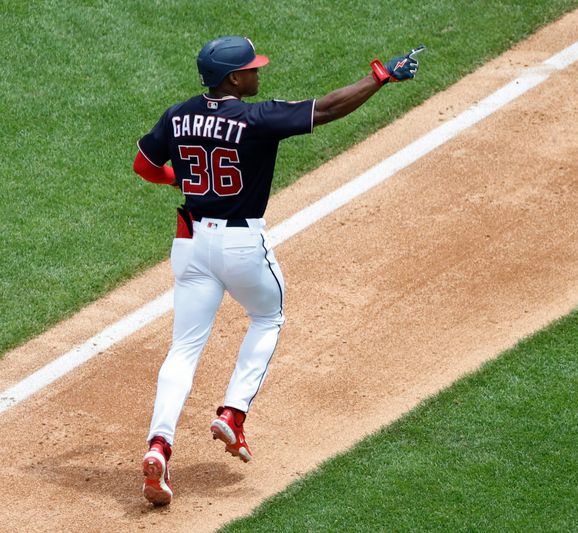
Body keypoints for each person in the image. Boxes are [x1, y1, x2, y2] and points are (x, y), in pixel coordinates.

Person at [133, 36, 424, 506]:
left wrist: (181, 179)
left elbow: (144, 166)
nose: (258, 73)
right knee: (268, 316)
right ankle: (232, 413)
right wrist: (381, 77)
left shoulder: (177, 114)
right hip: (241, 244)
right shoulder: (254, 118)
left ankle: (159, 445)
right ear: (232, 79)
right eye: (251, 68)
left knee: (184, 349)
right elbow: (327, 109)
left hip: (189, 243)